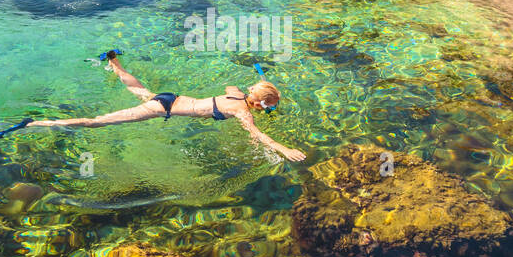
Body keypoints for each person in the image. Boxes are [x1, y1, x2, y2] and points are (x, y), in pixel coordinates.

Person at [25, 53, 307, 162]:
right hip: (162, 110)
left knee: (140, 90)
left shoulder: (235, 95)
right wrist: (284, 150)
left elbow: (234, 88)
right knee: (96, 121)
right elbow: (258, 136)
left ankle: (114, 62)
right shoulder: (242, 112)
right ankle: (37, 124)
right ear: (257, 104)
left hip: (170, 97)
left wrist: (262, 84)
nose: (266, 113)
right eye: (267, 109)